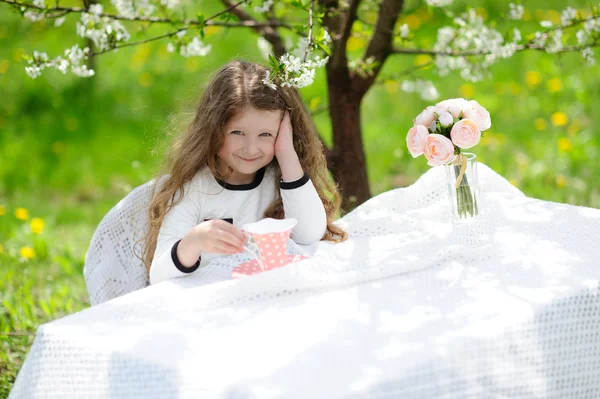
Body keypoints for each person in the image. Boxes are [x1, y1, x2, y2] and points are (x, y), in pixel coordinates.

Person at [143, 60, 348, 285]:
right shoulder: (195, 188)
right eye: (237, 132)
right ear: (213, 129)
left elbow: (310, 235)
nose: (251, 149)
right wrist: (194, 242)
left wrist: (286, 152)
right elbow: (158, 275)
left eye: (266, 135)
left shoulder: (277, 179)